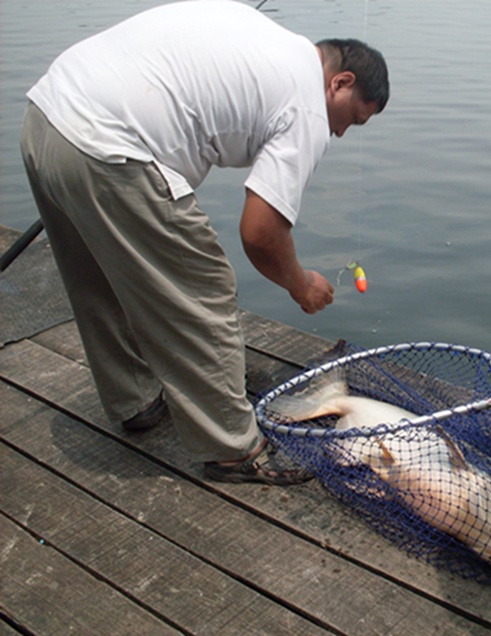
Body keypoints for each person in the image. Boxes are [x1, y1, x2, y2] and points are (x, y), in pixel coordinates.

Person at [19, 1, 389, 485]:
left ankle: (136, 398)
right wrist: (301, 285)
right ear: (339, 83)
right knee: (205, 287)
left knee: (99, 278)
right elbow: (260, 233)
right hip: (111, 143)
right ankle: (233, 448)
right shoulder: (306, 104)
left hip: (46, 115)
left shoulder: (265, 38)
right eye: (351, 119)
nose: (340, 132)